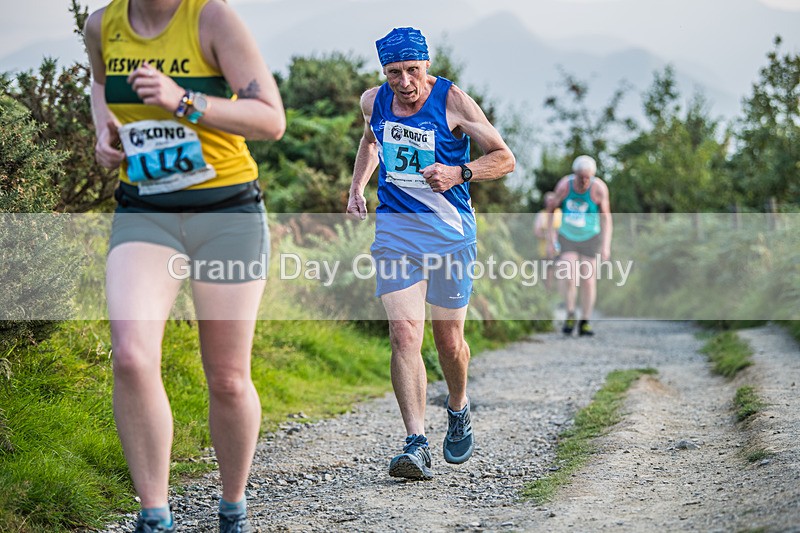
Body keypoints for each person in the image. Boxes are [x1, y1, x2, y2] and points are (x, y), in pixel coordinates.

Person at [84, 0, 285, 530]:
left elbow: (271, 119)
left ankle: (233, 507)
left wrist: (184, 101)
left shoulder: (211, 19)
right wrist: (103, 131)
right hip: (144, 212)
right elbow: (101, 87)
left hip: (227, 215)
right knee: (130, 355)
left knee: (226, 378)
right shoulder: (103, 25)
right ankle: (154, 516)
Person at [346, 27, 515, 480]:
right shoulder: (373, 101)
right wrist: (357, 185)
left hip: (449, 235)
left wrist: (460, 171)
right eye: (394, 72)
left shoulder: (452, 101)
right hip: (397, 232)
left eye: (413, 70)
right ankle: (415, 442)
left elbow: (504, 157)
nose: (404, 82)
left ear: (427, 64)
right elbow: (371, 141)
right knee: (404, 333)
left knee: (449, 343)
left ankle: (458, 407)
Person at [547, 155, 612, 337]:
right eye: (580, 177)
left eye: (587, 177)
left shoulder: (599, 189)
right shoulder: (564, 186)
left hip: (590, 236)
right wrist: (551, 239)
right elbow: (551, 211)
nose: (584, 181)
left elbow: (606, 218)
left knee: (588, 279)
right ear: (574, 174)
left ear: (592, 176)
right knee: (568, 275)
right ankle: (569, 313)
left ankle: (585, 320)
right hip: (568, 235)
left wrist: (606, 245)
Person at [534, 192, 562, 260]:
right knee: (548, 268)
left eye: (553, 200)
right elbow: (537, 232)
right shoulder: (541, 214)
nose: (551, 202)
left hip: (560, 248)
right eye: (549, 200)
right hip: (545, 249)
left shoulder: (560, 212)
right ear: (545, 202)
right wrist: (548, 236)